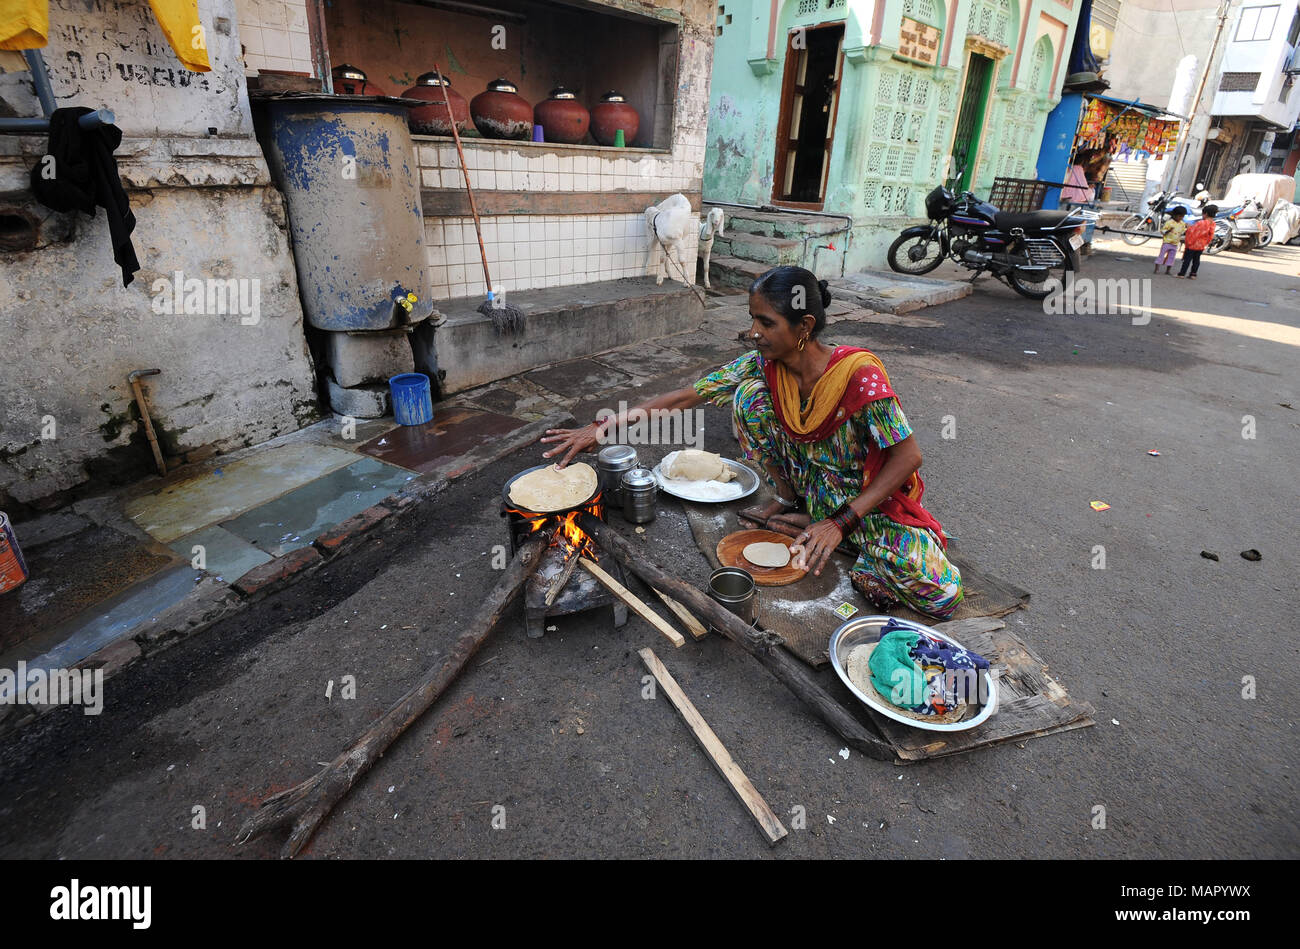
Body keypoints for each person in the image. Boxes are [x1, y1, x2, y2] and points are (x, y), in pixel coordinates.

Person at [539, 265, 964, 620]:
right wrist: (604, 426)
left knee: (939, 595)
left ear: (805, 327)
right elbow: (688, 395)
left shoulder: (859, 375)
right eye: (752, 319)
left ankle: (835, 530)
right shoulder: (765, 365)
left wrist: (840, 523)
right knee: (748, 398)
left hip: (861, 500)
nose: (753, 332)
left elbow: (908, 457)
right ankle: (793, 502)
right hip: (815, 489)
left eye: (766, 322)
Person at [1179, 205, 1218, 279]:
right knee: (1196, 260)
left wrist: (1188, 226)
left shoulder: (1201, 222)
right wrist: (1206, 242)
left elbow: (1192, 231)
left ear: (1205, 213)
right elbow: (1211, 235)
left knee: (1187, 260)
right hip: (1201, 245)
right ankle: (1193, 274)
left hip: (1192, 244)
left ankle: (1182, 274)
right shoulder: (1212, 224)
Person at [1154, 206, 1187, 274]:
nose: (1181, 218)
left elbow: (1183, 232)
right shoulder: (1169, 222)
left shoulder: (1182, 224)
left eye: (1182, 216)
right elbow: (1162, 231)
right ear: (1174, 215)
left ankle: (1168, 270)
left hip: (1175, 243)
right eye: (1179, 216)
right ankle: (1157, 269)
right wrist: (1168, 230)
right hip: (1167, 242)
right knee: (1161, 255)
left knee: (1171, 257)